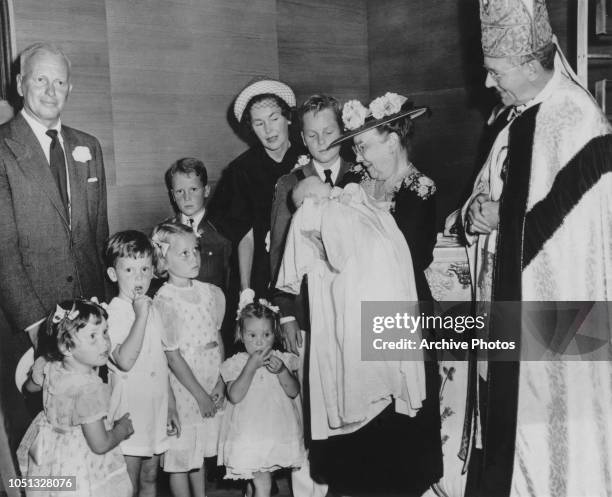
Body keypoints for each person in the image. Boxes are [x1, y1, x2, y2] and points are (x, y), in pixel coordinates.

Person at [461, 1, 612, 495]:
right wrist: (477, 212)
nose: (488, 83)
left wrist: (501, 225)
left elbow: (569, 236)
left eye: (494, 71)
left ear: (529, 65)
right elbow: (481, 203)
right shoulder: (510, 120)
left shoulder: (576, 122)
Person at [276, 179, 437, 495]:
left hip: (375, 319)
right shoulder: (327, 211)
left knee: (378, 417)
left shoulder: (353, 206)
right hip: (357, 325)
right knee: (365, 421)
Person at [0, 42, 109, 450]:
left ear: (70, 88)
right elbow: (3, 252)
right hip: (28, 326)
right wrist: (42, 340)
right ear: (20, 84)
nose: (50, 90)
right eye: (40, 79)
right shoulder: (2, 148)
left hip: (89, 332)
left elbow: (98, 235)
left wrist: (105, 317)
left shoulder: (89, 147)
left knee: (90, 442)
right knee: (44, 449)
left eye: (59, 81)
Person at [16, 299, 133, 497]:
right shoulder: (89, 389)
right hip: (81, 464)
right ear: (66, 347)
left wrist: (38, 376)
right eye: (93, 337)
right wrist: (122, 429)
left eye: (105, 332)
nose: (104, 342)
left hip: (50, 455)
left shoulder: (49, 365)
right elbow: (100, 444)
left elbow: (29, 388)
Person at [270, 94, 357, 357]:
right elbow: (279, 250)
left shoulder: (361, 175)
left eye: (329, 131)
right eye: (312, 135)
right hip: (310, 305)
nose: (321, 141)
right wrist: (286, 315)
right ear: (302, 137)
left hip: (355, 299)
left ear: (342, 130)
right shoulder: (290, 183)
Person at [208, 77, 305, 297]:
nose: (268, 130)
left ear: (288, 118)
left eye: (274, 118)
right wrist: (246, 289)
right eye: (259, 123)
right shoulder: (242, 170)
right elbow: (245, 235)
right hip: (262, 270)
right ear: (251, 128)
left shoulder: (308, 156)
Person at [151, 221, 225, 497]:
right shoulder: (165, 300)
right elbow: (172, 357)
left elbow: (217, 340)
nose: (194, 257)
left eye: (195, 250)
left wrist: (220, 380)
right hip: (185, 388)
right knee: (180, 460)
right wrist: (200, 395)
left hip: (209, 377)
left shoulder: (209, 293)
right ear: (163, 260)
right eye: (183, 253)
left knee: (199, 452)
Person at [104, 231, 179, 496]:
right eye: (129, 269)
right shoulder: (111, 314)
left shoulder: (152, 308)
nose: (138, 277)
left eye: (144, 268)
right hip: (128, 412)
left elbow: (161, 361)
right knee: (128, 482)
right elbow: (124, 360)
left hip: (155, 407)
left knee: (150, 476)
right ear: (114, 275)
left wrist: (170, 403)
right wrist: (140, 316)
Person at [218, 295, 305, 497]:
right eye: (252, 335)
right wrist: (250, 367)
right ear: (241, 334)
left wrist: (283, 371)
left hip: (275, 433)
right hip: (249, 435)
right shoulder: (237, 363)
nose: (260, 342)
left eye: (266, 335)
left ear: (275, 333)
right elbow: (235, 396)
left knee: (259, 482)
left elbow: (293, 391)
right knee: (263, 486)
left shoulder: (282, 359)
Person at [153, 158, 231, 294]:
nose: (186, 197)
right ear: (172, 195)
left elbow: (230, 280)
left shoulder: (222, 231)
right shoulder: (164, 232)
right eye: (179, 191)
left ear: (206, 191)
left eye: (193, 189)